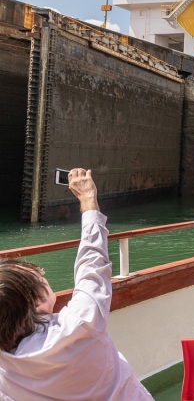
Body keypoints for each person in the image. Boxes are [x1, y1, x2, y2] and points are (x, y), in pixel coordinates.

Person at [0, 168, 154, 400]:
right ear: (37, 299)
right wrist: (88, 198)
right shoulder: (79, 323)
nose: (44, 276)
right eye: (40, 276)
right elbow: (92, 262)